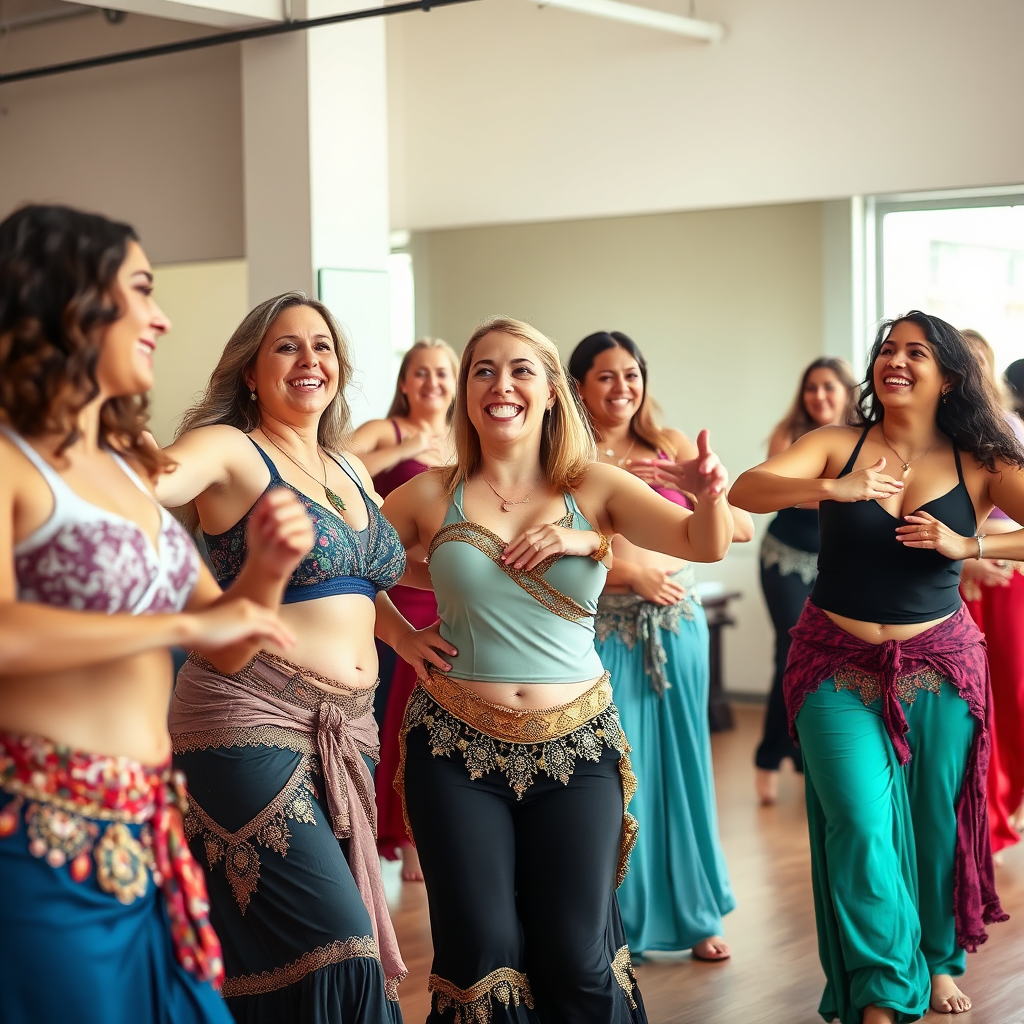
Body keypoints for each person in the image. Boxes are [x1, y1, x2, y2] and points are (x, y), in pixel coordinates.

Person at [0, 205, 310, 1024]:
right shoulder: (6, 460)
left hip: (146, 833)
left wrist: (269, 572)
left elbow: (232, 646)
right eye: (141, 290)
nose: (162, 318)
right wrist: (180, 628)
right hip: (37, 840)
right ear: (69, 301)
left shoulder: (130, 466)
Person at [383, 316, 735, 1023]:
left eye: (520, 370)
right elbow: (343, 570)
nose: (500, 384)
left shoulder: (594, 486)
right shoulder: (429, 493)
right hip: (453, 749)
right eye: (483, 369)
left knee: (575, 953)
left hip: (577, 749)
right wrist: (399, 635)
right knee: (482, 947)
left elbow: (704, 543)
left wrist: (707, 492)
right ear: (467, 393)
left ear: (550, 393)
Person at [153, 292, 450, 1022]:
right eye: (287, 346)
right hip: (247, 714)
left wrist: (403, 634)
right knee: (343, 944)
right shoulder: (229, 448)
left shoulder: (346, 466)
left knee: (295, 951)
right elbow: (149, 483)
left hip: (345, 729)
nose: (309, 360)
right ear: (250, 372)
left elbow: (357, 571)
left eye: (322, 346)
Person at [730, 311, 1024, 1024]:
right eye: (887, 349)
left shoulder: (980, 458)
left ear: (949, 375)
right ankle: (884, 988)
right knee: (858, 823)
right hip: (835, 661)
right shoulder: (836, 443)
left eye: (915, 352)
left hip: (942, 670)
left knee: (932, 823)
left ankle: (936, 958)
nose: (895, 359)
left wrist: (968, 546)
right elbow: (746, 490)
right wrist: (834, 488)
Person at [568, 330, 753, 963]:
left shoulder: (668, 446)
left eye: (632, 374)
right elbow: (538, 548)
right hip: (606, 630)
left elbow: (741, 529)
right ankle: (621, 918)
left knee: (686, 767)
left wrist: (710, 490)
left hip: (679, 628)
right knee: (621, 775)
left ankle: (697, 913)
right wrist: (627, 573)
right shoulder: (567, 457)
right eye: (606, 376)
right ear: (579, 385)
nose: (623, 387)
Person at [350, 338, 458, 881]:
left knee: (442, 719)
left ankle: (432, 829)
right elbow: (339, 464)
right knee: (394, 722)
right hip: (394, 593)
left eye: (443, 373)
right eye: (421, 372)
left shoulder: (464, 439)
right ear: (405, 381)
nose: (432, 382)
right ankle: (394, 836)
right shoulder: (385, 430)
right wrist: (401, 449)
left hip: (448, 590)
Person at [754, 357, 858, 805]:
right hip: (785, 559)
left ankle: (803, 757)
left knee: (827, 659)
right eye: (812, 388)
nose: (819, 396)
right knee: (791, 650)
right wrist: (841, 490)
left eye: (828, 387)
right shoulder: (790, 434)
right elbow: (778, 491)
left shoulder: (861, 436)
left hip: (837, 560)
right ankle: (767, 757)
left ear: (847, 392)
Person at [958, 330, 1024, 853]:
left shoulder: (1011, 429)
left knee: (1014, 694)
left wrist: (980, 549)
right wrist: (967, 561)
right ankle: (984, 811)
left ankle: (1008, 800)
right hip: (961, 583)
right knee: (974, 702)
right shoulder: (940, 435)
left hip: (1006, 581)